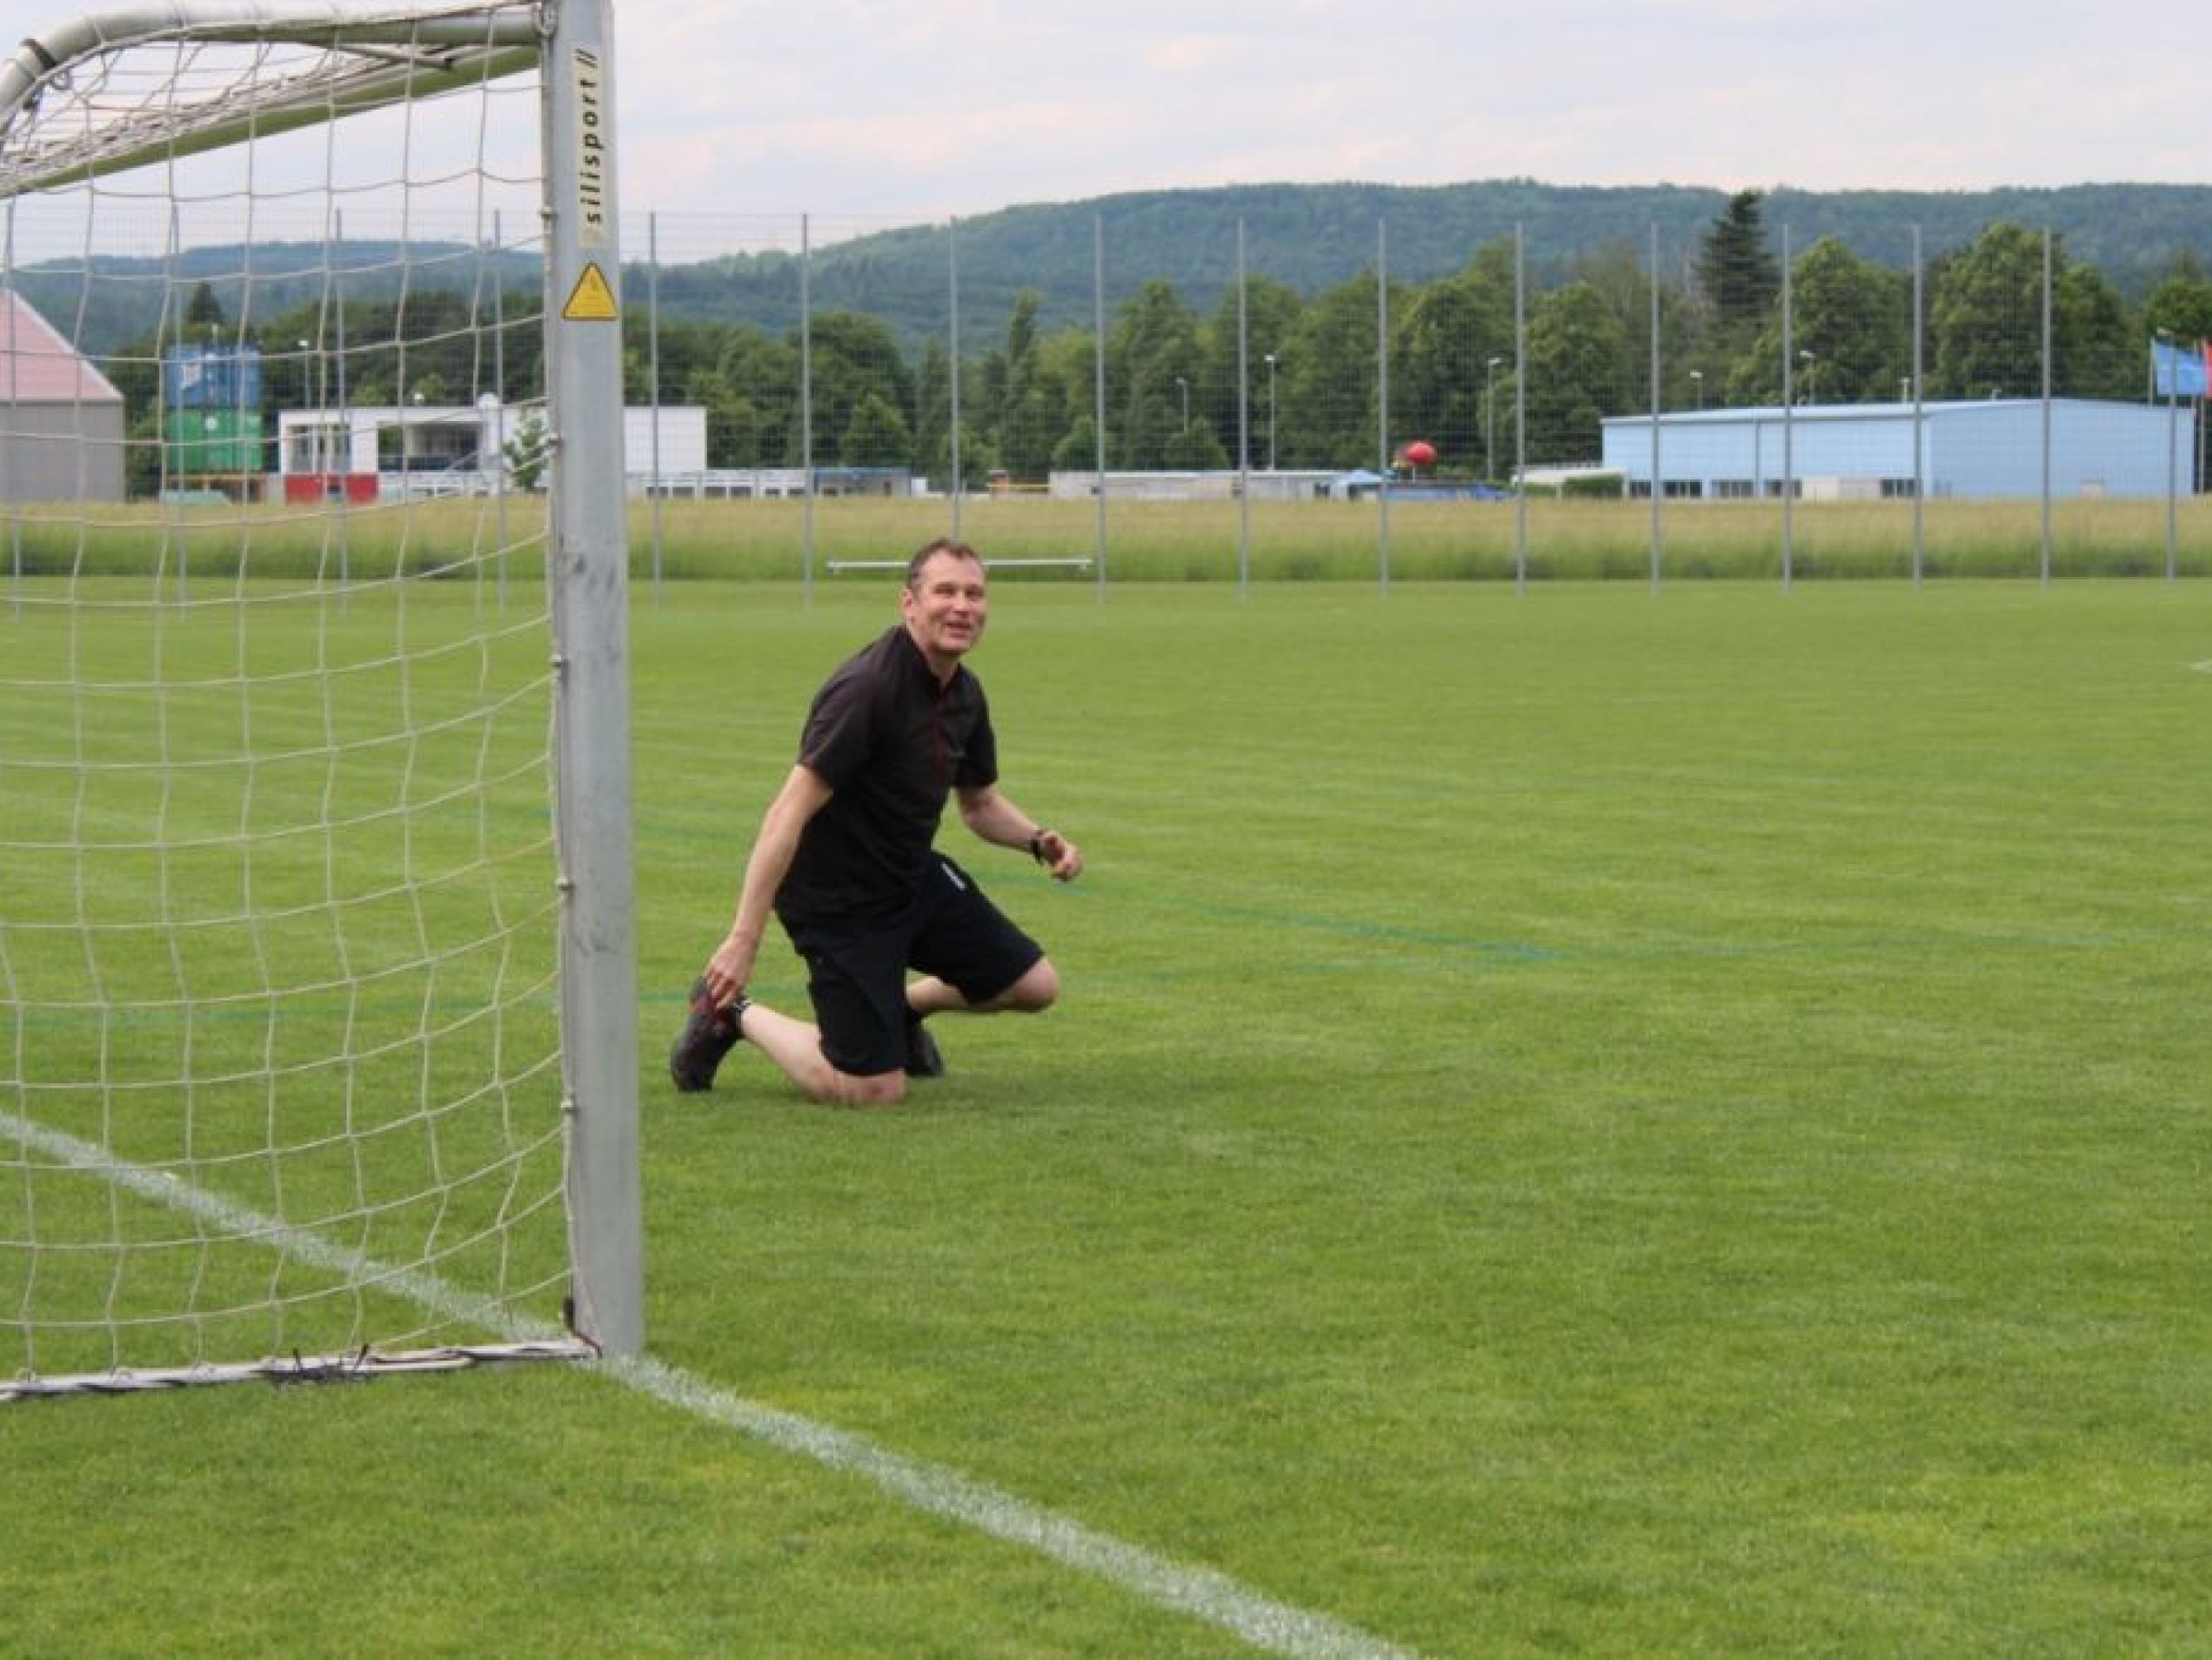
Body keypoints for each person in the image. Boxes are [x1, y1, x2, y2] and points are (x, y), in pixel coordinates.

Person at [669, 538, 1083, 1107]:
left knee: (1035, 986)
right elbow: (787, 813)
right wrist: (743, 939)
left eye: (974, 594)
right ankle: (733, 1014)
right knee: (873, 1090)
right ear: (909, 603)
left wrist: (1037, 840)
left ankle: (900, 1014)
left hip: (910, 878)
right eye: (945, 592)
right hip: (838, 902)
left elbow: (979, 805)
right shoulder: (867, 689)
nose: (962, 607)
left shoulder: (964, 692)